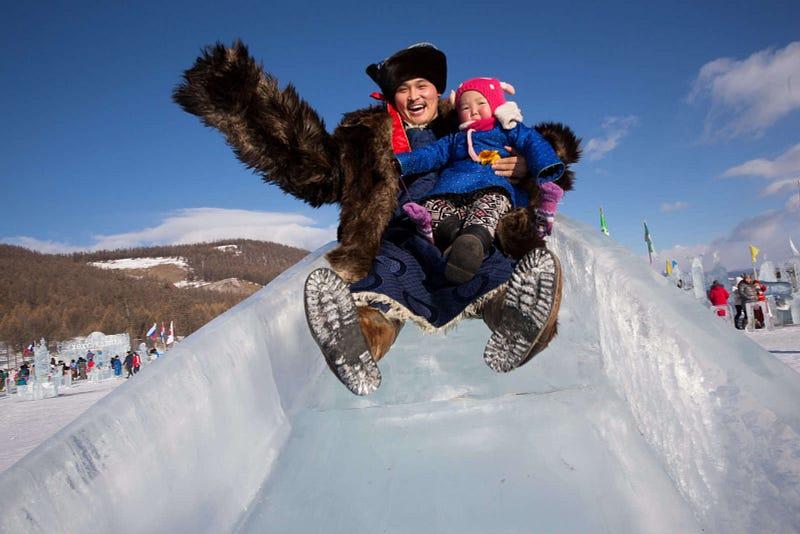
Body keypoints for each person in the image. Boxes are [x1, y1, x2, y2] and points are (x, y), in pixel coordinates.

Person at [174, 42, 579, 395]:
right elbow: (313, 169)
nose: (414, 96)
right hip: (399, 235)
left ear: (439, 90)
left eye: (422, 85)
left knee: (494, 267)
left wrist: (524, 165)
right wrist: (246, 108)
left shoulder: (468, 122)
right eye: (403, 89)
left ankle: (518, 320)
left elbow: (544, 145)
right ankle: (359, 342)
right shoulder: (367, 134)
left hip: (473, 227)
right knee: (383, 280)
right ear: (391, 96)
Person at [395, 76, 565, 283]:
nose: (473, 111)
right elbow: (430, 154)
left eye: (481, 103)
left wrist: (543, 166)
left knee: (490, 206)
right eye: (465, 107)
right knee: (433, 205)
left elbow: (532, 141)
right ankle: (457, 242)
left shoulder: (507, 129)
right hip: (450, 188)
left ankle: (475, 239)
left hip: (491, 185)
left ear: (495, 104)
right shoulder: (455, 138)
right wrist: (401, 162)